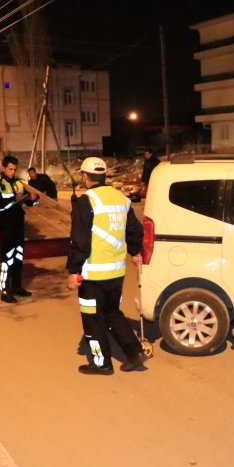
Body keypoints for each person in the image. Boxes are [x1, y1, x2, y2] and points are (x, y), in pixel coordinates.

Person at [66, 156, 148, 375]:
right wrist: (135, 252)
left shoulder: (86, 201)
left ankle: (102, 363)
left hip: (92, 275)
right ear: (103, 175)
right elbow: (134, 230)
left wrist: (73, 271)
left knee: (92, 319)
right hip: (116, 273)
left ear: (85, 176)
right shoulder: (121, 199)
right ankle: (134, 353)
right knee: (112, 313)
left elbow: (80, 240)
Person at [0, 156, 39, 303]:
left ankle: (17, 287)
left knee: (18, 257)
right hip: (6, 225)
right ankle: (5, 291)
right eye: (10, 169)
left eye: (14, 169)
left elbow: (31, 204)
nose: (12, 172)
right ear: (3, 168)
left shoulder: (19, 183)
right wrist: (13, 199)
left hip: (18, 225)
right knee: (7, 259)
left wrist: (33, 199)